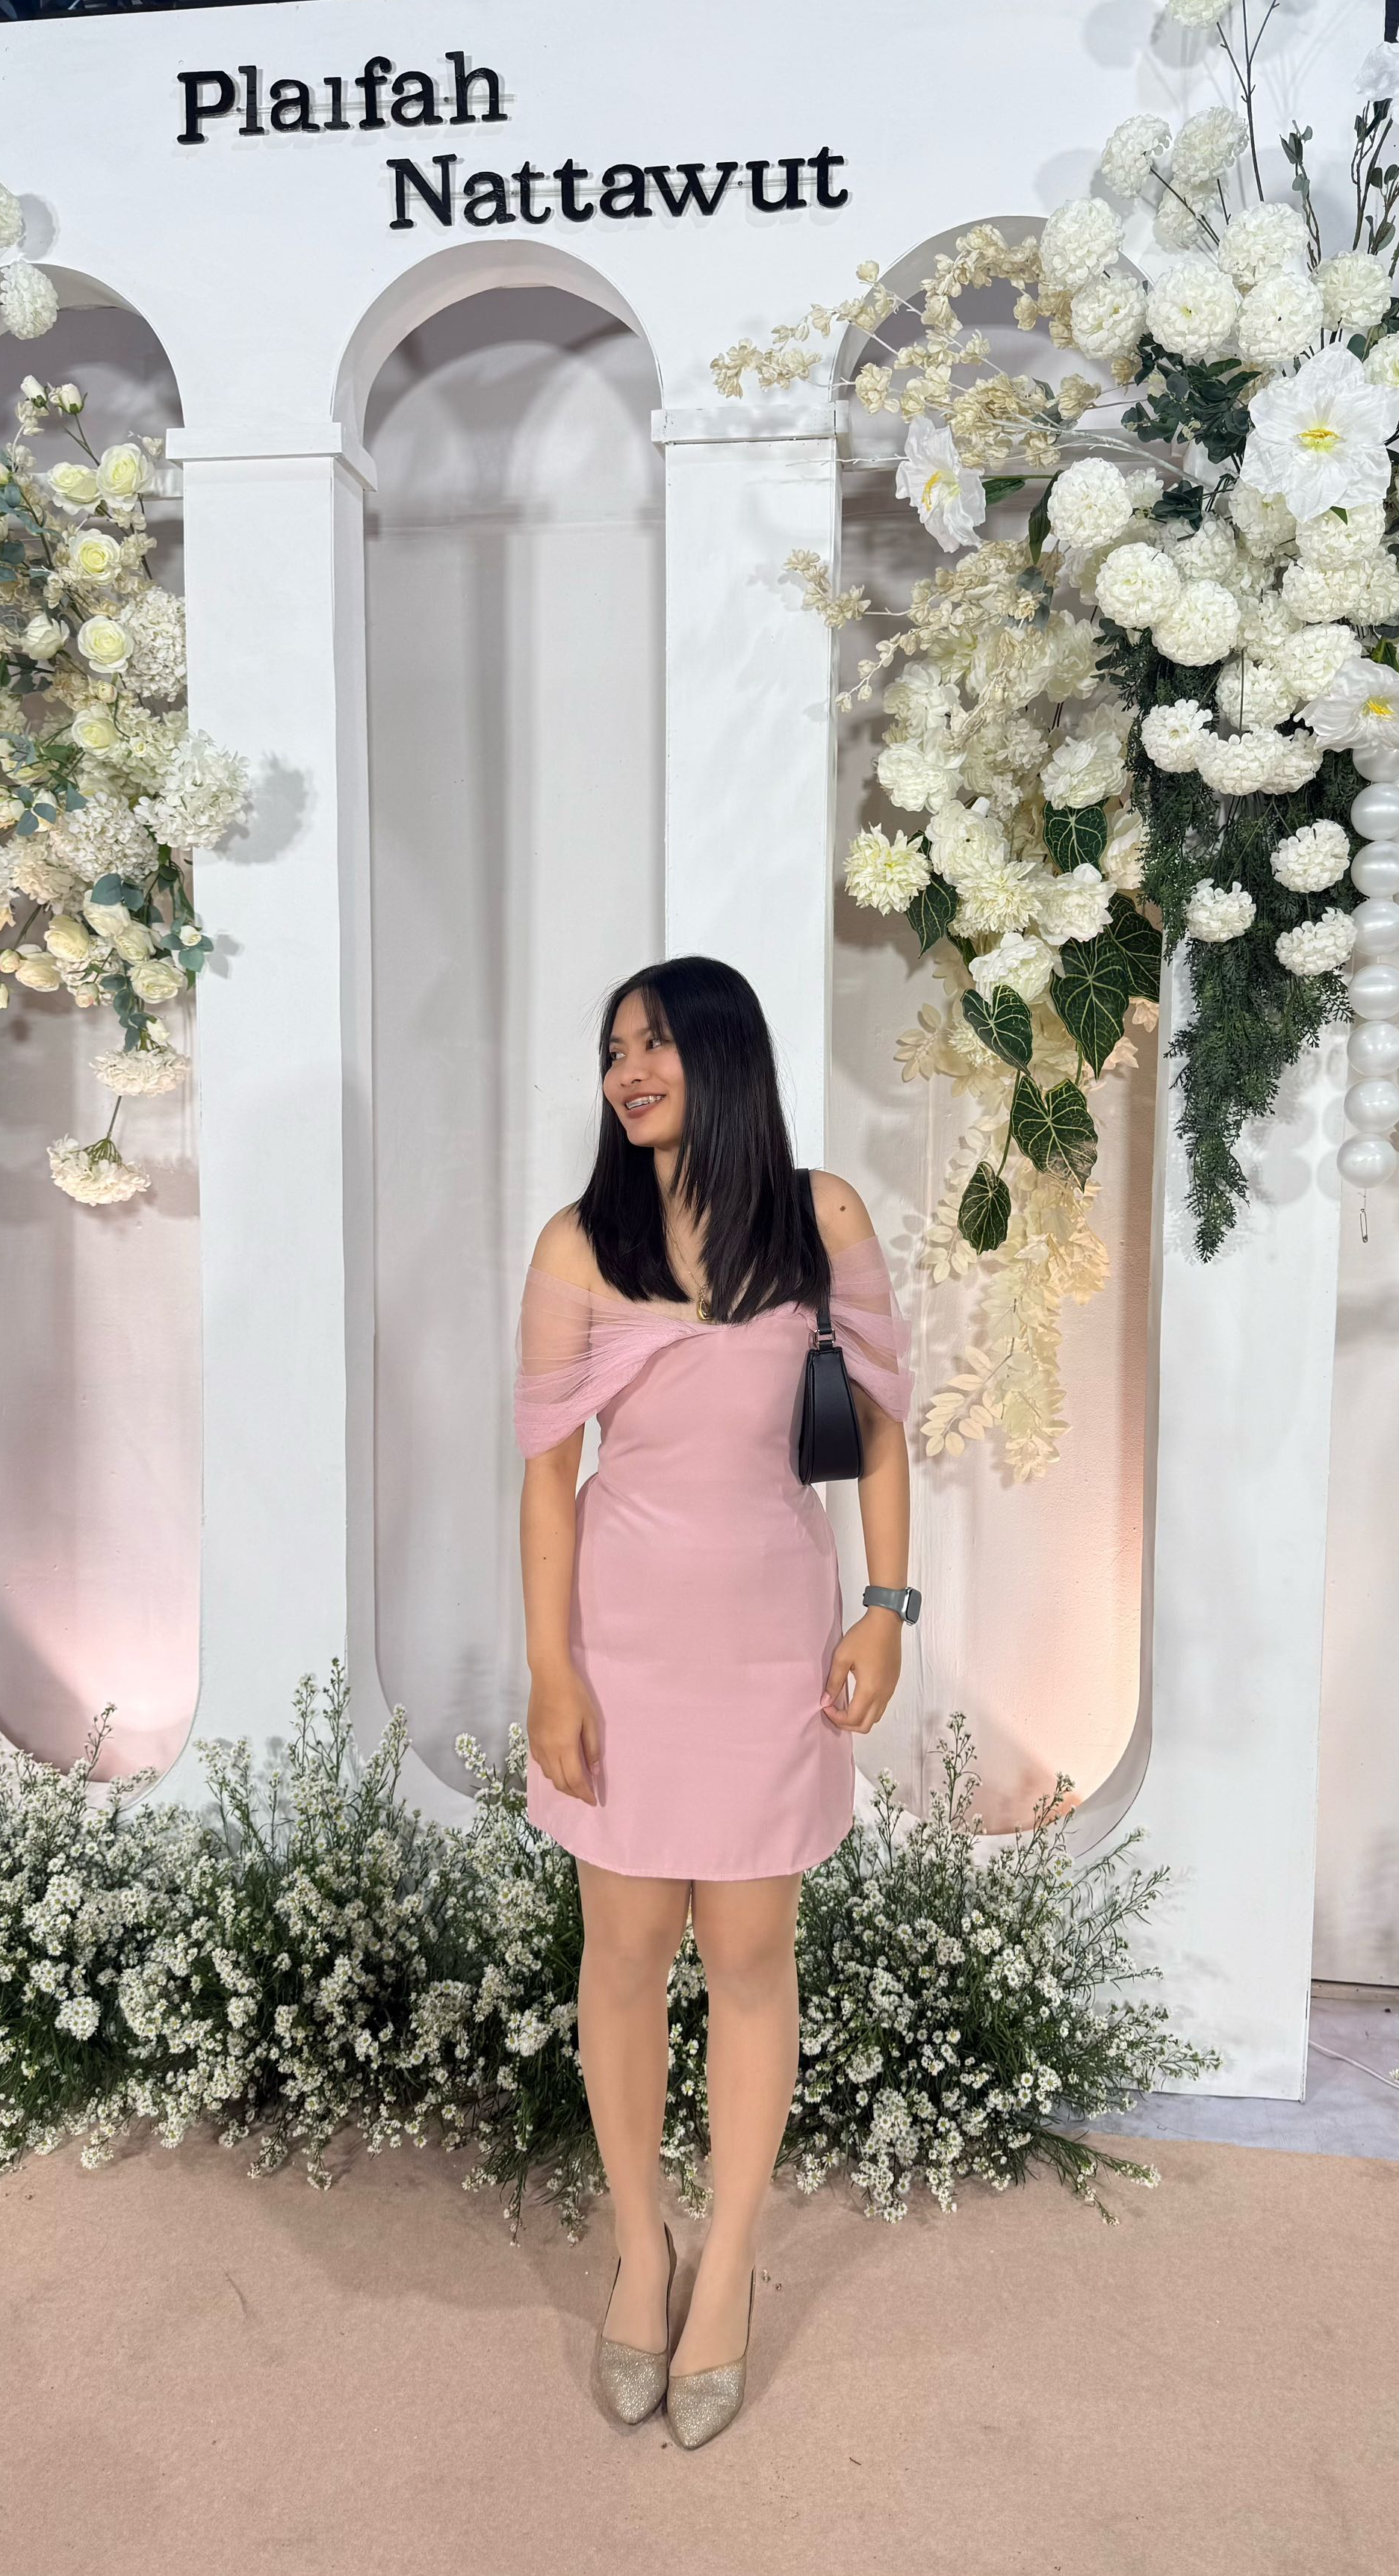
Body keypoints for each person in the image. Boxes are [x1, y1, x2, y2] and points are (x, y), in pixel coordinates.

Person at [515, 954, 916, 2449]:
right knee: (622, 1950)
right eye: (613, 1048)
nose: (627, 1072)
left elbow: (881, 1427)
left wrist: (885, 1606)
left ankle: (730, 2258)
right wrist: (552, 1666)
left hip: (770, 1636)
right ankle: (642, 2247)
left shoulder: (823, 1219)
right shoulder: (577, 1242)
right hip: (620, 1639)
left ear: (724, 1054)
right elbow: (545, 1482)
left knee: (749, 1950)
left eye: (656, 1045)